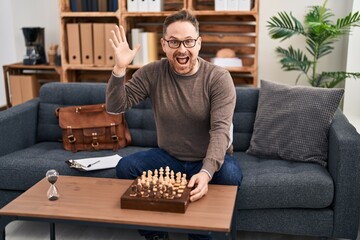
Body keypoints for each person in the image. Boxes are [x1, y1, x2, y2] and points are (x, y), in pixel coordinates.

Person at [106, 9, 243, 240]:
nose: (182, 49)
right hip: (169, 158)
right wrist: (120, 69)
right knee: (125, 168)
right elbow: (115, 107)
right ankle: (156, 234)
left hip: (207, 158)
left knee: (230, 175)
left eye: (188, 41)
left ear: (198, 44)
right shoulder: (152, 72)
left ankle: (200, 234)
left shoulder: (218, 78)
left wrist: (207, 172)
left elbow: (220, 130)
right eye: (174, 42)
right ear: (164, 45)